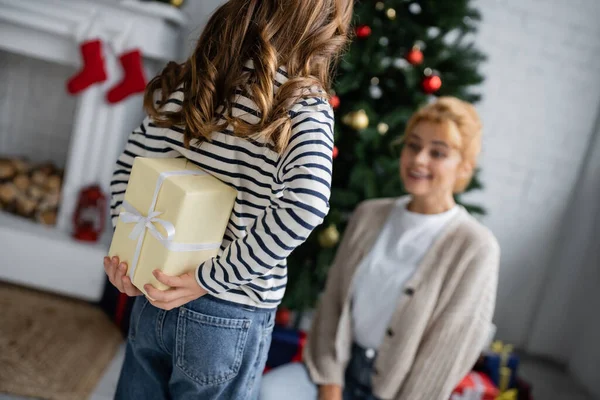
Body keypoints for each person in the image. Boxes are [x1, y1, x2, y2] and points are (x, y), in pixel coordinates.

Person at [102, 1, 353, 398]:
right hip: (228, 312)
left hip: (156, 290)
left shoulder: (194, 78)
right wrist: (211, 278)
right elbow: (305, 204)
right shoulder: (303, 103)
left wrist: (130, 254)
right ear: (324, 26)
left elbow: (130, 170)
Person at [260, 97, 500, 400]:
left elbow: (447, 351)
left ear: (464, 166)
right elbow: (333, 302)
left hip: (402, 391)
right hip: (334, 371)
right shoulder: (368, 214)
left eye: (437, 152)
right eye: (413, 145)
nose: (419, 159)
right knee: (264, 392)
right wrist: (330, 388)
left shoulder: (475, 247)